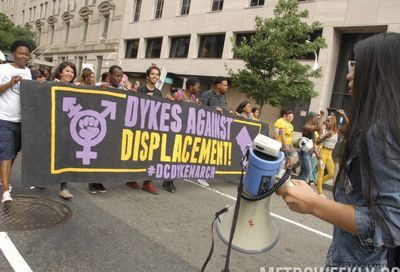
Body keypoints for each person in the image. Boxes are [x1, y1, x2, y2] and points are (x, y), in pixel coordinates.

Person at [278, 33, 400, 269]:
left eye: (357, 66)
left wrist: (315, 204)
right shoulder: (380, 124)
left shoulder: (382, 130)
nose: (348, 75)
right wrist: (322, 202)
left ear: (379, 72)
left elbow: (391, 224)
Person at [0, 40, 32, 203]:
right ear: (13, 54)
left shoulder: (28, 72)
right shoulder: (3, 69)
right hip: (3, 118)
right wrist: (10, 83)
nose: (24, 57)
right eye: (21, 53)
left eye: (27, 54)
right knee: (6, 152)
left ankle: (2, 178)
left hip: (21, 121)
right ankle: (6, 191)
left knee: (14, 151)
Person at [126, 65, 162, 194]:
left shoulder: (159, 93)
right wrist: (144, 97)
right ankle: (131, 178)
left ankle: (147, 182)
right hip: (138, 127)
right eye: (152, 74)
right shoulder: (140, 89)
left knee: (150, 155)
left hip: (151, 128)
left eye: (157, 74)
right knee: (136, 154)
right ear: (147, 76)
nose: (155, 76)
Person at [162, 77, 201, 193]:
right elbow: (166, 105)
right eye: (197, 87)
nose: (198, 89)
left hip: (184, 132)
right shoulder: (178, 95)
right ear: (191, 87)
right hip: (173, 131)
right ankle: (167, 180)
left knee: (178, 157)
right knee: (171, 156)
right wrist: (169, 98)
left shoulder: (194, 98)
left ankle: (169, 179)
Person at [53, 61, 78, 199]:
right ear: (60, 72)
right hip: (52, 126)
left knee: (65, 156)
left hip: (67, 128)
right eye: (67, 71)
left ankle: (63, 187)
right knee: (48, 154)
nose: (70, 74)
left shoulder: (76, 88)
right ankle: (42, 179)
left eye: (72, 72)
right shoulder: (51, 85)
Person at [315, 113, 338, 197]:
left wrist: (343, 115)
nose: (326, 122)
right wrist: (325, 137)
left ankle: (318, 182)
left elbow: (347, 124)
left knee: (331, 174)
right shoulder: (323, 130)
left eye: (328, 121)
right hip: (323, 152)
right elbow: (317, 142)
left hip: (330, 154)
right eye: (326, 120)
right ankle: (320, 192)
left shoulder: (336, 131)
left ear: (333, 122)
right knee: (321, 172)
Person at [298, 111, 320, 183]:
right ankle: (300, 186)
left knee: (304, 171)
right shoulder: (306, 127)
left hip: (309, 153)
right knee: (307, 171)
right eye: (317, 118)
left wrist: (316, 153)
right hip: (305, 153)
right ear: (313, 119)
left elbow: (312, 143)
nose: (317, 120)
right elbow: (319, 127)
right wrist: (322, 116)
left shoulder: (311, 128)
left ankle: (297, 187)